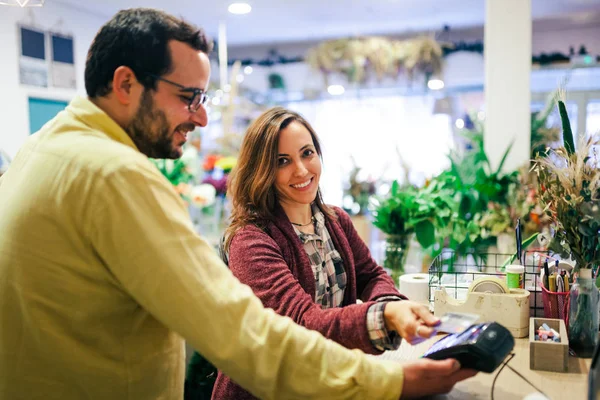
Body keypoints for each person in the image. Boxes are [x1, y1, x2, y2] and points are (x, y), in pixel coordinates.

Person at [0, 8, 475, 400]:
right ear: (126, 84)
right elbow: (236, 328)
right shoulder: (115, 175)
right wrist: (387, 381)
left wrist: (389, 307)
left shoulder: (40, 150)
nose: (202, 117)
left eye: (204, 98)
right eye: (189, 97)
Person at [209, 107, 476, 399]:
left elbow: (370, 275)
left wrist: (392, 304)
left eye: (307, 153)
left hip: (330, 381)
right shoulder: (251, 241)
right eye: (282, 161)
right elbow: (304, 323)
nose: (301, 170)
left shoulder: (335, 220)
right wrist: (385, 315)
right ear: (261, 170)